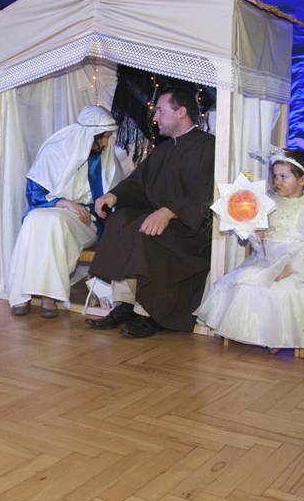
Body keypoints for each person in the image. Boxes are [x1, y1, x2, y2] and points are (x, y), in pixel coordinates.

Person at [85, 87, 215, 338]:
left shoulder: (210, 147)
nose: (155, 118)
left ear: (181, 112)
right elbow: (139, 183)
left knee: (146, 234)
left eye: (161, 111)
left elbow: (206, 191)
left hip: (190, 231)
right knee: (119, 220)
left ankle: (148, 314)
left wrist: (168, 212)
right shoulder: (164, 149)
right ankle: (124, 305)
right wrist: (114, 195)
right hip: (161, 221)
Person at [194, 147, 304, 351]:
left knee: (283, 289)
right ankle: (258, 333)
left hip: (293, 264)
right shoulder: (269, 206)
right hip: (266, 261)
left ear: (303, 179)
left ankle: (280, 337)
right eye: (275, 176)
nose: (277, 182)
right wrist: (258, 237)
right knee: (246, 279)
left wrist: (291, 268)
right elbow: (264, 246)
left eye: (284, 177)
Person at [6, 105, 121, 318]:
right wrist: (64, 202)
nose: (106, 143)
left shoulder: (105, 158)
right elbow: (34, 193)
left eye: (107, 137)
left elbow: (112, 199)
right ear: (89, 134)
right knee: (33, 219)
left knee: (55, 222)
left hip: (87, 219)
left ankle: (48, 296)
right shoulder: (54, 150)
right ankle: (25, 294)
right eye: (103, 137)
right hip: (54, 208)